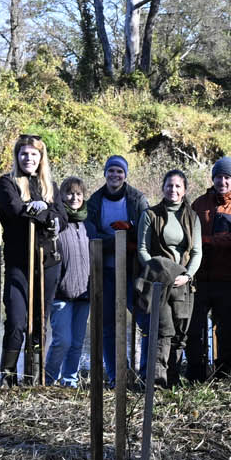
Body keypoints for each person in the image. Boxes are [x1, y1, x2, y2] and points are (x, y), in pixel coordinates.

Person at [0, 134, 61, 385]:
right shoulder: (7, 182)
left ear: (41, 158)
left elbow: (61, 218)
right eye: (24, 154)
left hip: (47, 264)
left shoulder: (50, 187)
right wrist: (42, 212)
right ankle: (7, 378)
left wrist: (43, 211)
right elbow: (15, 211)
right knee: (16, 321)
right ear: (17, 156)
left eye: (34, 154)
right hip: (18, 263)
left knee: (39, 324)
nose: (29, 158)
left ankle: (33, 378)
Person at [186, 156, 231, 380]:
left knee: (225, 330)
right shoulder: (199, 204)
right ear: (213, 178)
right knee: (194, 329)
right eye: (219, 177)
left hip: (228, 279)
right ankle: (195, 374)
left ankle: (223, 374)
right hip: (200, 279)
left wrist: (210, 241)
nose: (222, 181)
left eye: (227, 177)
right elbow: (188, 232)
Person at [135, 169, 202, 387]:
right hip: (157, 283)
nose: (172, 190)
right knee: (162, 332)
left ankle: (172, 381)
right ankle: (156, 382)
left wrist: (187, 275)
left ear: (184, 190)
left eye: (177, 186)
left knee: (180, 335)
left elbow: (196, 252)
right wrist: (159, 272)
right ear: (163, 187)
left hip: (183, 283)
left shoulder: (192, 217)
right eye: (169, 185)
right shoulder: (150, 215)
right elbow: (143, 250)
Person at [89, 154, 148, 384]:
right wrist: (118, 240)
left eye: (119, 172)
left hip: (133, 273)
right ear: (105, 173)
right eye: (111, 171)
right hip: (105, 272)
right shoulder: (95, 201)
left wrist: (130, 229)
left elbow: (146, 231)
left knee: (145, 321)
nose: (115, 175)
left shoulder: (137, 199)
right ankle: (116, 377)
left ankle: (144, 374)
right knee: (108, 328)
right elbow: (91, 235)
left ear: (125, 175)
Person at [47, 176, 93, 384]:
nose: (74, 198)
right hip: (61, 293)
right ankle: (49, 379)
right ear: (62, 196)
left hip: (84, 292)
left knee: (76, 342)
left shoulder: (88, 223)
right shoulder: (58, 222)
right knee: (61, 341)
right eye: (69, 193)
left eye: (78, 194)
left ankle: (69, 380)